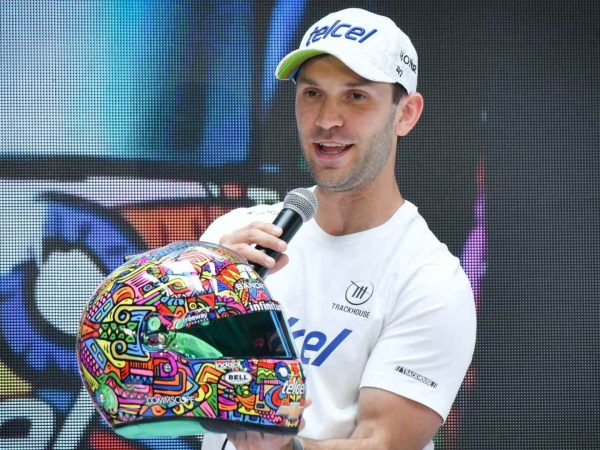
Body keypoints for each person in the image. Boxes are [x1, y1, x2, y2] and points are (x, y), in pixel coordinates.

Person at [200, 8, 476, 450]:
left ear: (405, 114)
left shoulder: (430, 279)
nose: (327, 119)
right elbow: (146, 377)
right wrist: (198, 295)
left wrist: (282, 447)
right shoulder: (234, 234)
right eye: (312, 93)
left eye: (356, 97)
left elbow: (381, 441)